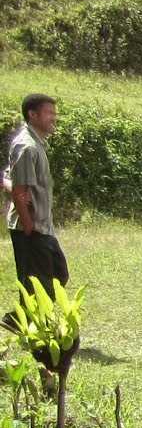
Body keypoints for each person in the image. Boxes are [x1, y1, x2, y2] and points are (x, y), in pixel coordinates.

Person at [7, 92, 67, 295]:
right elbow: (19, 191)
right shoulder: (27, 146)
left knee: (59, 274)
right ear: (32, 114)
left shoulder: (37, 143)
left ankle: (18, 319)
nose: (54, 118)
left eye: (54, 113)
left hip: (43, 226)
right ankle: (21, 321)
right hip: (31, 229)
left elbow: (10, 178)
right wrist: (29, 227)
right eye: (49, 113)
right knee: (39, 288)